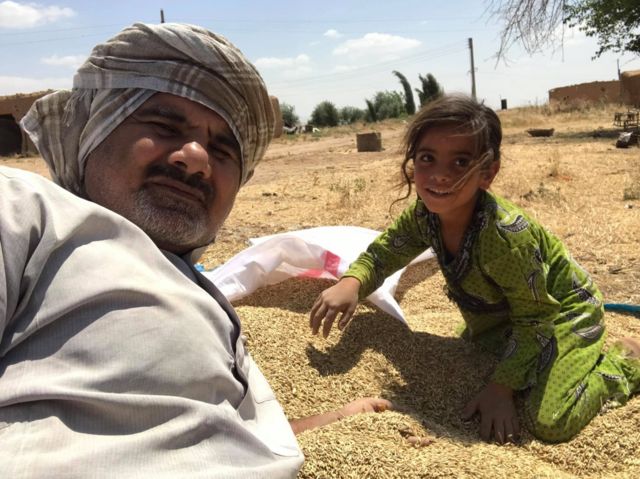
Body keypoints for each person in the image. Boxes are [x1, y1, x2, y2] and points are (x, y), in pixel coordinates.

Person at [0, 23, 390, 478]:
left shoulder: (206, 296)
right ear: (93, 131)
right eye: (165, 126)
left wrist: (324, 424)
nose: (197, 158)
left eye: (224, 150)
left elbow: (193, 427)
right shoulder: (27, 212)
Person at [309, 94, 640, 444]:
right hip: (504, 316)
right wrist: (351, 282)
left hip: (561, 312)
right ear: (413, 163)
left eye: (460, 161)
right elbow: (382, 256)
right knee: (469, 359)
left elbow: (535, 318)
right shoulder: (423, 215)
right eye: (427, 158)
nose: (439, 175)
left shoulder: (506, 238)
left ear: (488, 173)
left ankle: (624, 363)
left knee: (549, 420)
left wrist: (501, 389)